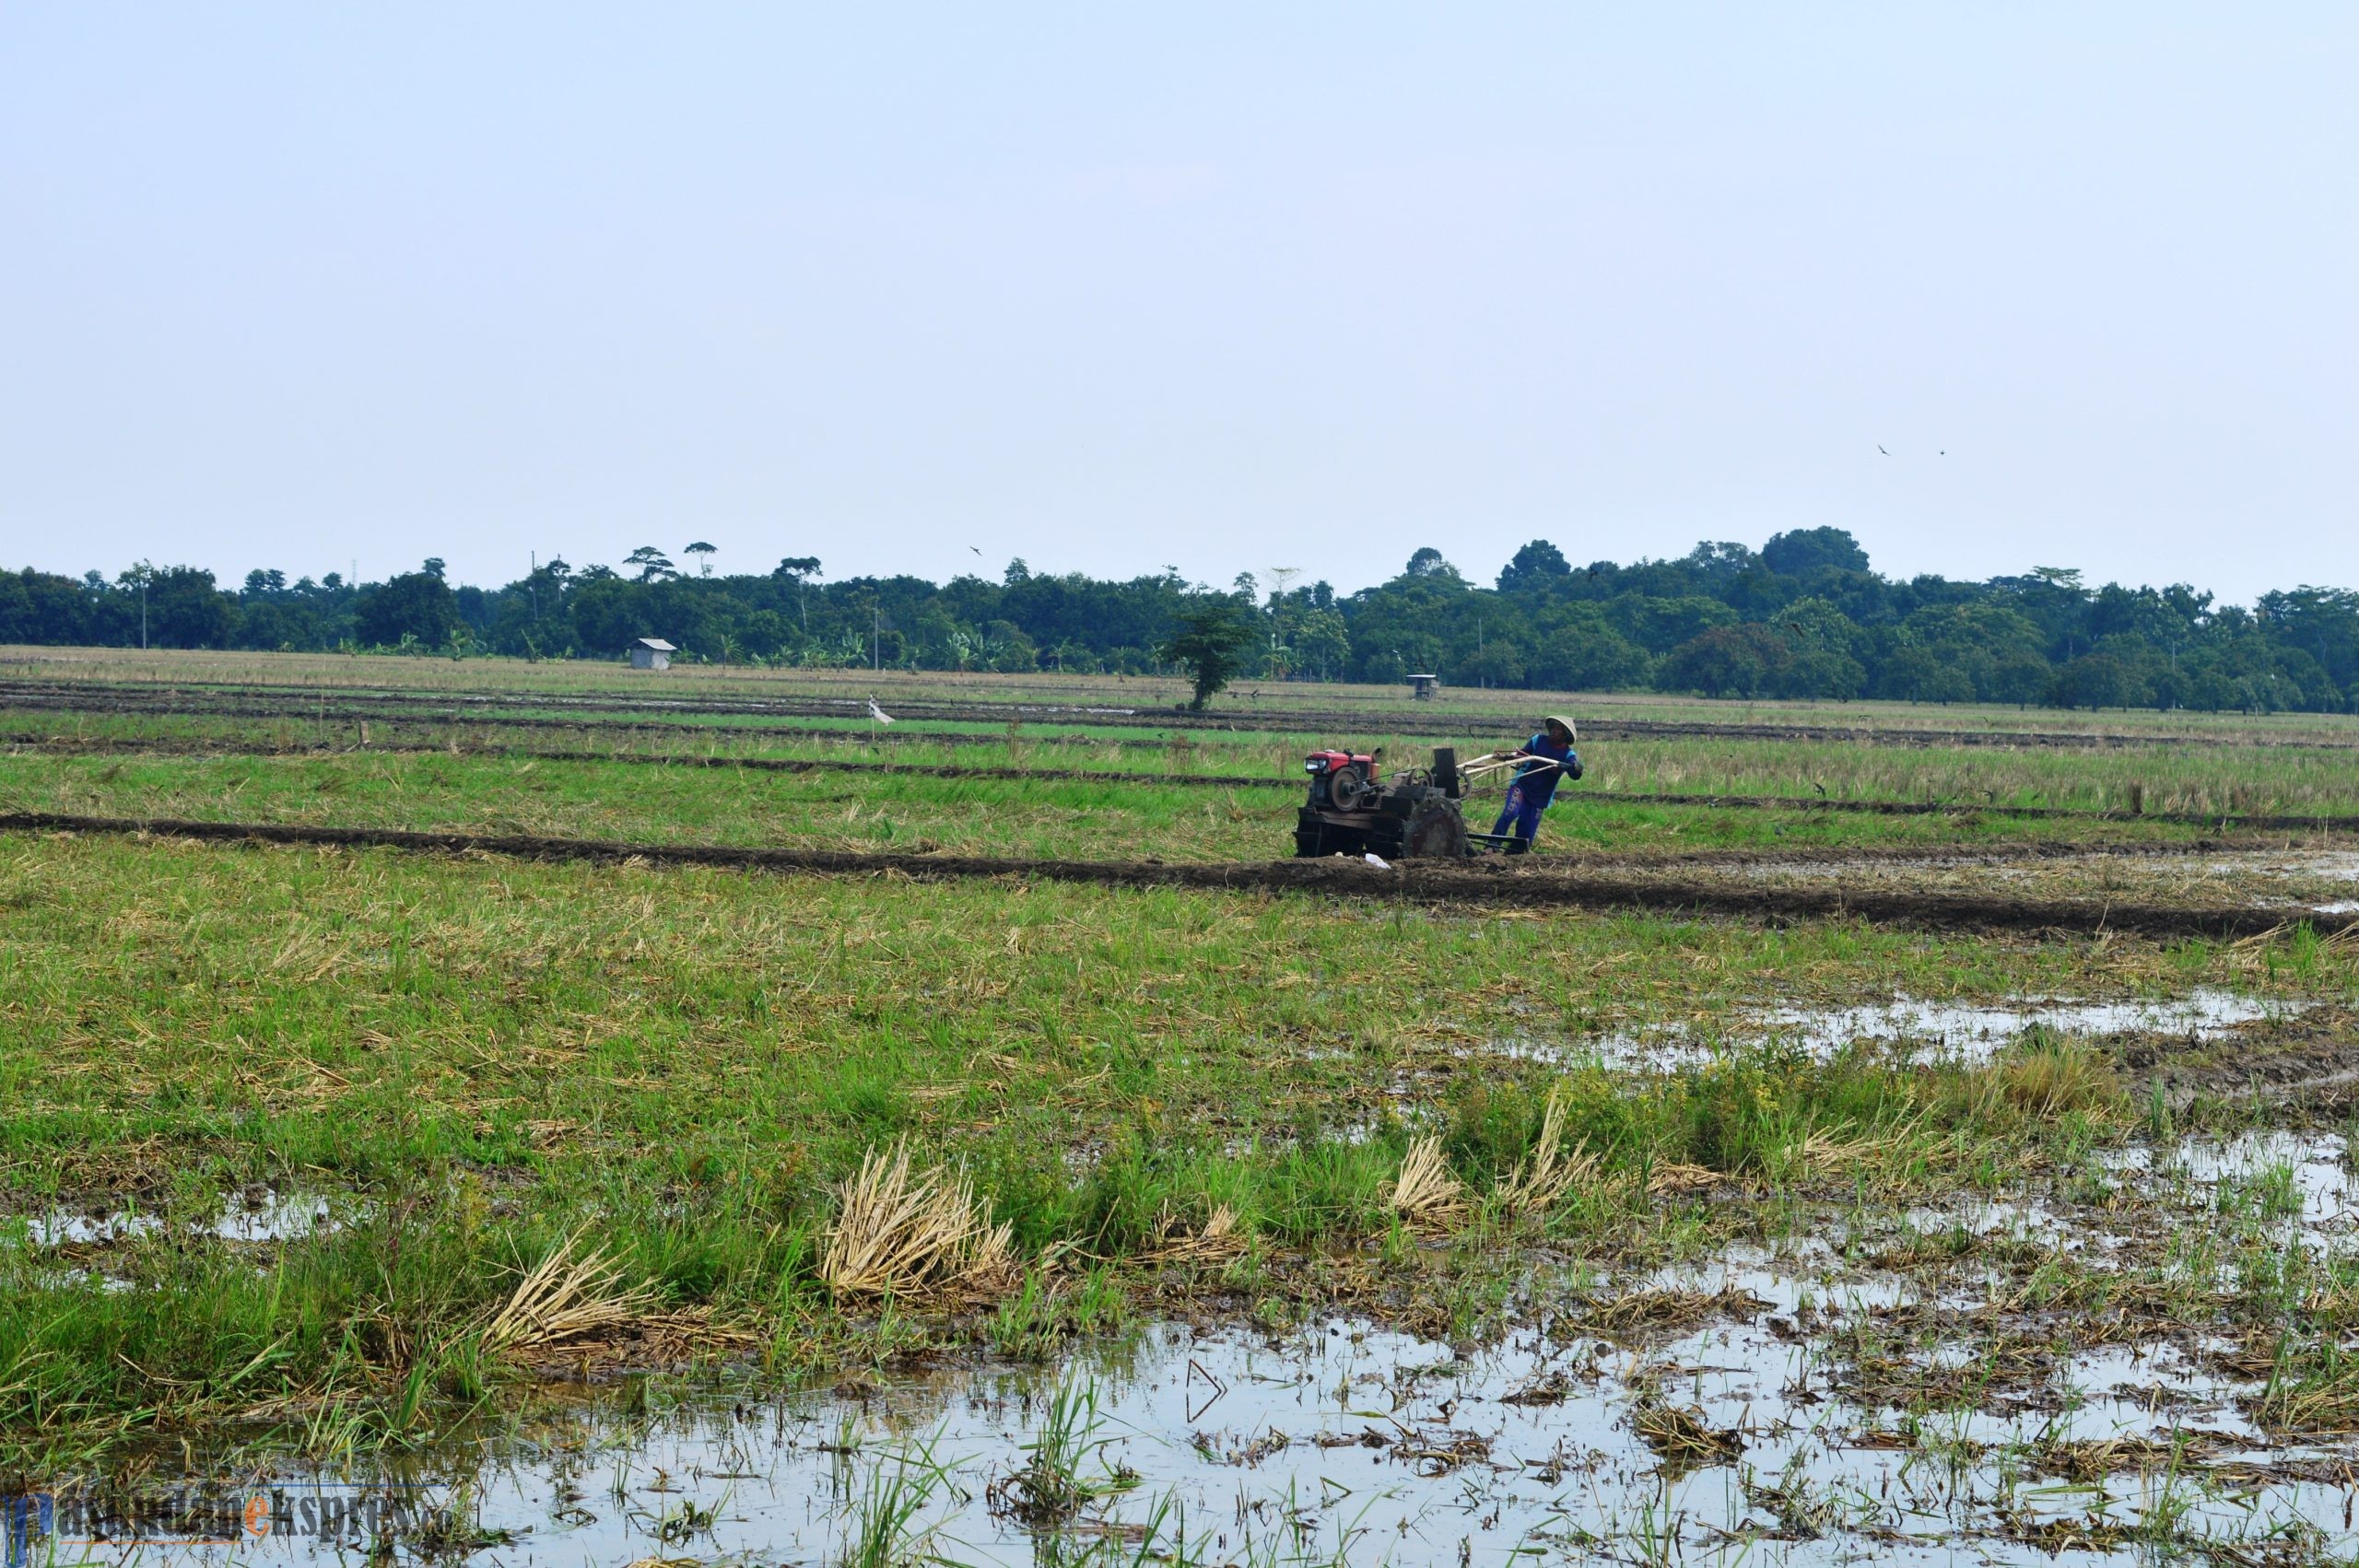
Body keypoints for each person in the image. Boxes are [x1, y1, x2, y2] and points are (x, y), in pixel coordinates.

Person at [1488, 716, 1580, 851]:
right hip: (1522, 785)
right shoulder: (1538, 740)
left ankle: (1514, 856)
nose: (1554, 731)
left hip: (1541, 795)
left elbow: (1575, 773)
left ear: (1565, 734)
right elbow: (1523, 755)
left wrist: (1573, 767)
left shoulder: (1568, 754)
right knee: (1509, 813)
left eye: (1559, 729)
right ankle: (1492, 847)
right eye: (1553, 727)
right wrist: (1512, 757)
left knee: (1527, 830)